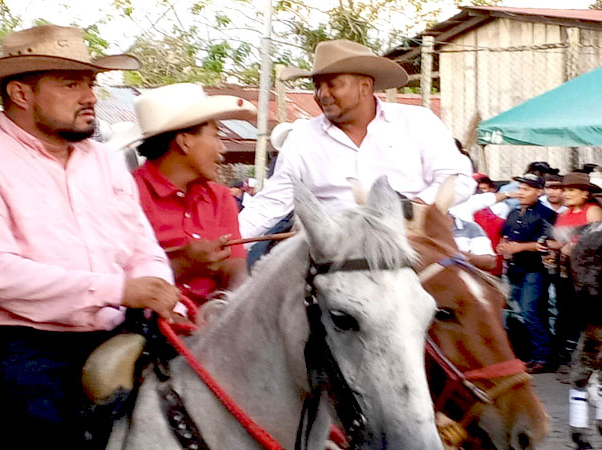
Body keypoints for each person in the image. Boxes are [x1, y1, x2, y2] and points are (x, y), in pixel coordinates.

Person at [0, 24, 179, 449]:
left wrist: (160, 288)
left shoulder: (105, 162)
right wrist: (120, 289)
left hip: (109, 331)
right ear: (21, 94)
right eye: (72, 84)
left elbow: (140, 245)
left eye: (90, 83)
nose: (91, 96)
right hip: (10, 344)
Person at [238, 39, 474, 239]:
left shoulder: (418, 122)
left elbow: (458, 179)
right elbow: (272, 201)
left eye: (332, 85)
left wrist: (412, 209)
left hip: (413, 241)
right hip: (333, 253)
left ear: (365, 86)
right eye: (317, 86)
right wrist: (232, 241)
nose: (322, 95)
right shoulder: (303, 138)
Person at [131, 83, 254, 304]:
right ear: (184, 141)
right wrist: (183, 265)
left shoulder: (220, 197)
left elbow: (236, 273)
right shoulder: (127, 194)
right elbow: (117, 280)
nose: (222, 149)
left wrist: (224, 313)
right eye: (216, 136)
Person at [496, 173, 557, 373]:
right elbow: (505, 235)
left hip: (535, 269)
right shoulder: (514, 212)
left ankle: (543, 357)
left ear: (539, 192)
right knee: (516, 313)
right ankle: (527, 354)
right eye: (520, 189)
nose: (521, 193)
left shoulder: (546, 214)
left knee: (531, 312)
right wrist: (503, 246)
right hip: (515, 269)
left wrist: (520, 247)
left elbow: (548, 243)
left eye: (526, 189)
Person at [545, 172, 602, 369]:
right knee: (565, 312)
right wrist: (550, 246)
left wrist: (573, 247)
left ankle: (585, 360)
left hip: (587, 273)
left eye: (570, 190)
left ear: (585, 193)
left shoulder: (592, 211)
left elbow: (595, 240)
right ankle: (565, 357)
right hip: (566, 270)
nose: (565, 194)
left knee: (583, 315)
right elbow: (560, 241)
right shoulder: (563, 214)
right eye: (564, 190)